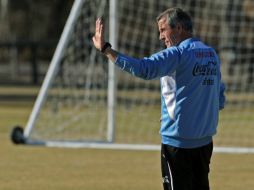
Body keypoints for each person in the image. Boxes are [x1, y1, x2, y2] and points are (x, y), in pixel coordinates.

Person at [92, 7, 225, 190]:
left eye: (163, 30)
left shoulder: (177, 54)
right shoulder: (211, 54)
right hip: (204, 143)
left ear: (178, 28)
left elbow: (144, 69)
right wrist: (194, 115)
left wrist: (107, 50)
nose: (161, 37)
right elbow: (219, 97)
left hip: (177, 145)